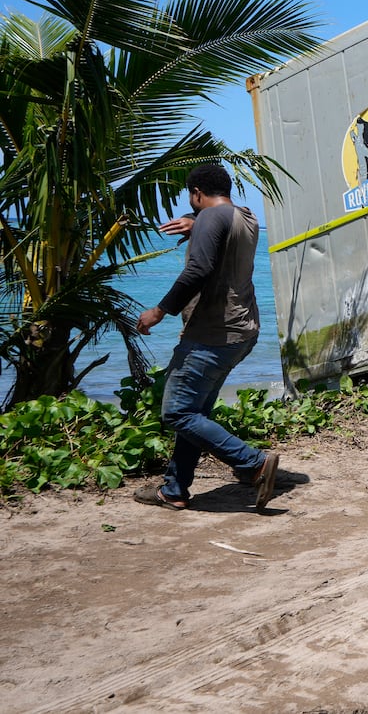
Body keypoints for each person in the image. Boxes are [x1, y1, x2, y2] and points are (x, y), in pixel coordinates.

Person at [133, 163, 279, 511]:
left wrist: (159, 311)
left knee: (177, 413)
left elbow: (198, 269)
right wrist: (197, 223)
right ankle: (174, 490)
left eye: (192, 199)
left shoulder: (211, 220)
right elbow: (219, 228)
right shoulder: (245, 216)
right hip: (241, 331)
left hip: (212, 334)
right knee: (195, 411)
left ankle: (252, 463)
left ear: (196, 193)